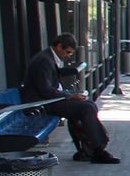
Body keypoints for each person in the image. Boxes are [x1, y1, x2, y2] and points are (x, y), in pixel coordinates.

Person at [23, 33, 120, 164]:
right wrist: (70, 96)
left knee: (89, 104)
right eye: (67, 52)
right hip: (42, 104)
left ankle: (88, 149)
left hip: (49, 99)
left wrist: (70, 95)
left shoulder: (48, 57)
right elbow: (45, 90)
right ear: (58, 46)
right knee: (86, 108)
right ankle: (97, 149)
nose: (68, 56)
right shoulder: (43, 61)